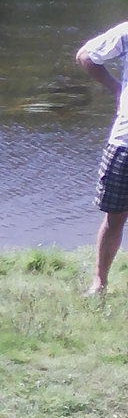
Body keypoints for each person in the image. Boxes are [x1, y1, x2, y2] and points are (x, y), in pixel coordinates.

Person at [76, 22, 128, 295]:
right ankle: (99, 283)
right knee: (114, 217)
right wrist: (116, 87)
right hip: (124, 142)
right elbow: (86, 56)